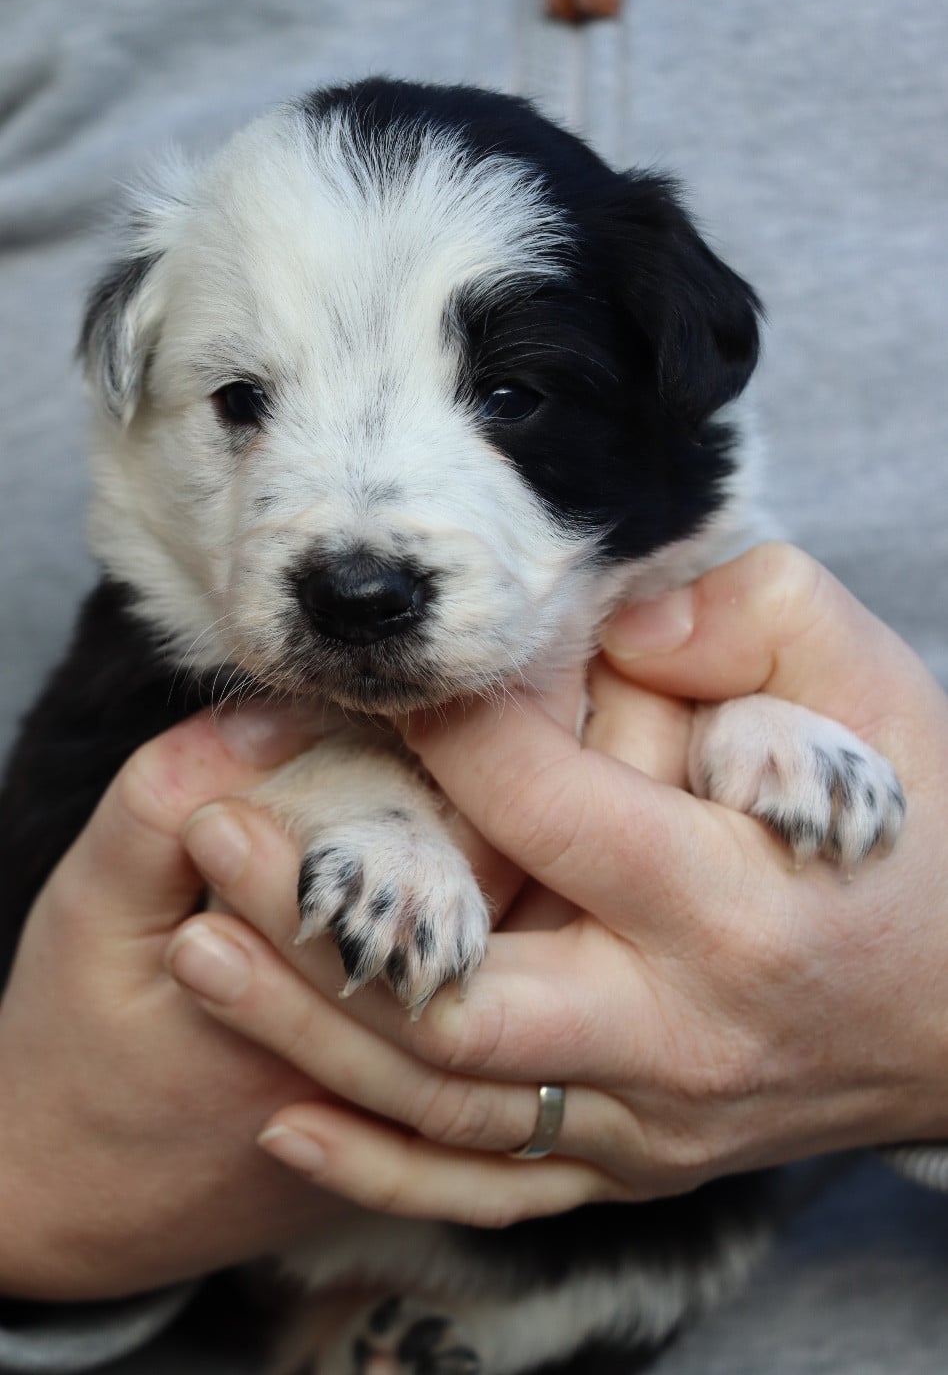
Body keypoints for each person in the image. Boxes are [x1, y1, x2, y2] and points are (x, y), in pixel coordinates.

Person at [2, 542, 946, 1373]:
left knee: (677, 1248)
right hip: (150, 1283)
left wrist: (923, 1039)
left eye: (505, 402)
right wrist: (32, 1214)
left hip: (702, 1274)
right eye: (247, 405)